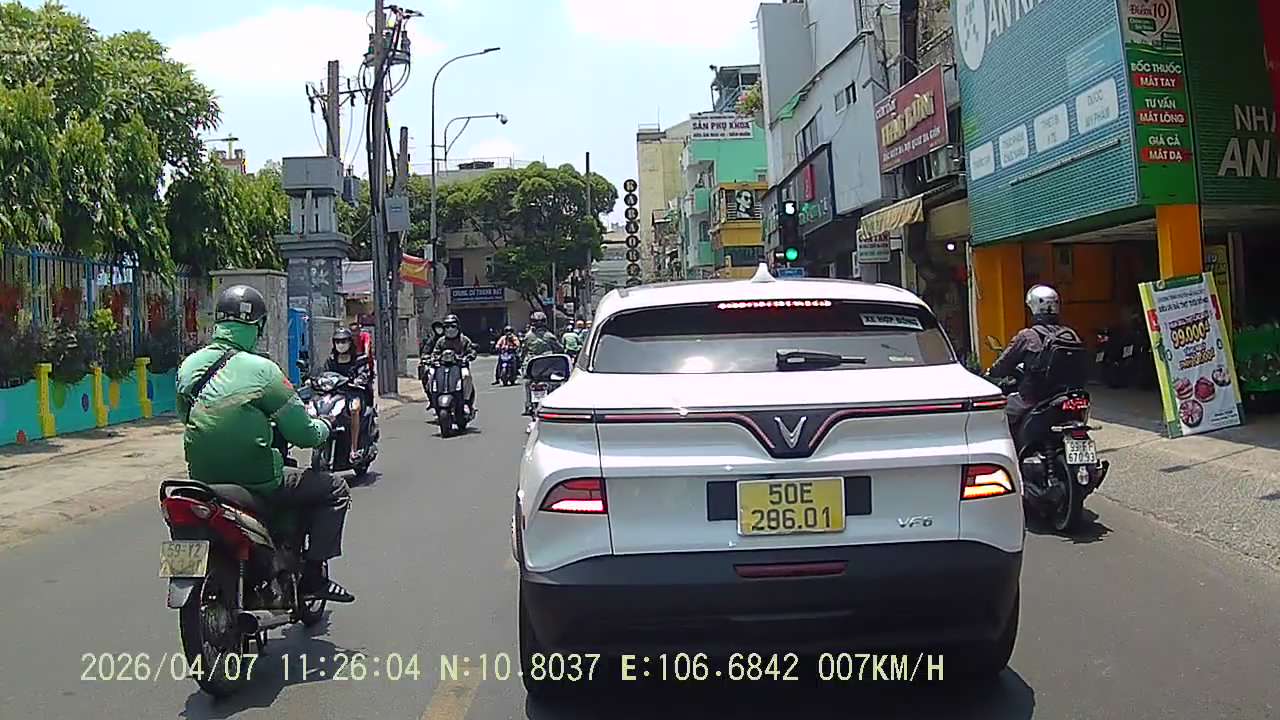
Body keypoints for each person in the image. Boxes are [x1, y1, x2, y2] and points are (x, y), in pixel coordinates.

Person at [177, 285, 354, 603]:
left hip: (201, 480)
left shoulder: (189, 366)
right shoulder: (264, 371)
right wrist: (325, 427)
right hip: (257, 480)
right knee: (335, 489)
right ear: (257, 326)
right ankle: (314, 577)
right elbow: (303, 434)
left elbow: (185, 417)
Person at [988, 284, 1087, 434]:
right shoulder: (1071, 335)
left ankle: (1012, 448)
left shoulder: (1027, 336)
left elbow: (1004, 364)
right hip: (1069, 396)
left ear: (1033, 308)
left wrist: (991, 373)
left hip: (1034, 397)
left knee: (1000, 413)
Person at [326, 327, 374, 462]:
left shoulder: (359, 359)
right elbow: (323, 373)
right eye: (338, 342)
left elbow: (365, 373)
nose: (341, 345)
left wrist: (360, 379)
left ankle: (354, 449)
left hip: (354, 393)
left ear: (350, 342)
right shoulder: (331, 360)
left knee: (354, 409)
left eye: (344, 341)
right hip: (336, 394)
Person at [431, 315, 478, 407]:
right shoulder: (441, 341)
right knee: (431, 375)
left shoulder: (464, 340)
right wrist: (433, 359)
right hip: (442, 367)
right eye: (447, 327)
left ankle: (466, 401)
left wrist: (469, 357)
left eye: (453, 326)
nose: (450, 329)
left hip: (460, 366)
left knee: (466, 376)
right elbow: (435, 352)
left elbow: (471, 351)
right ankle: (433, 400)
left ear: (458, 327)